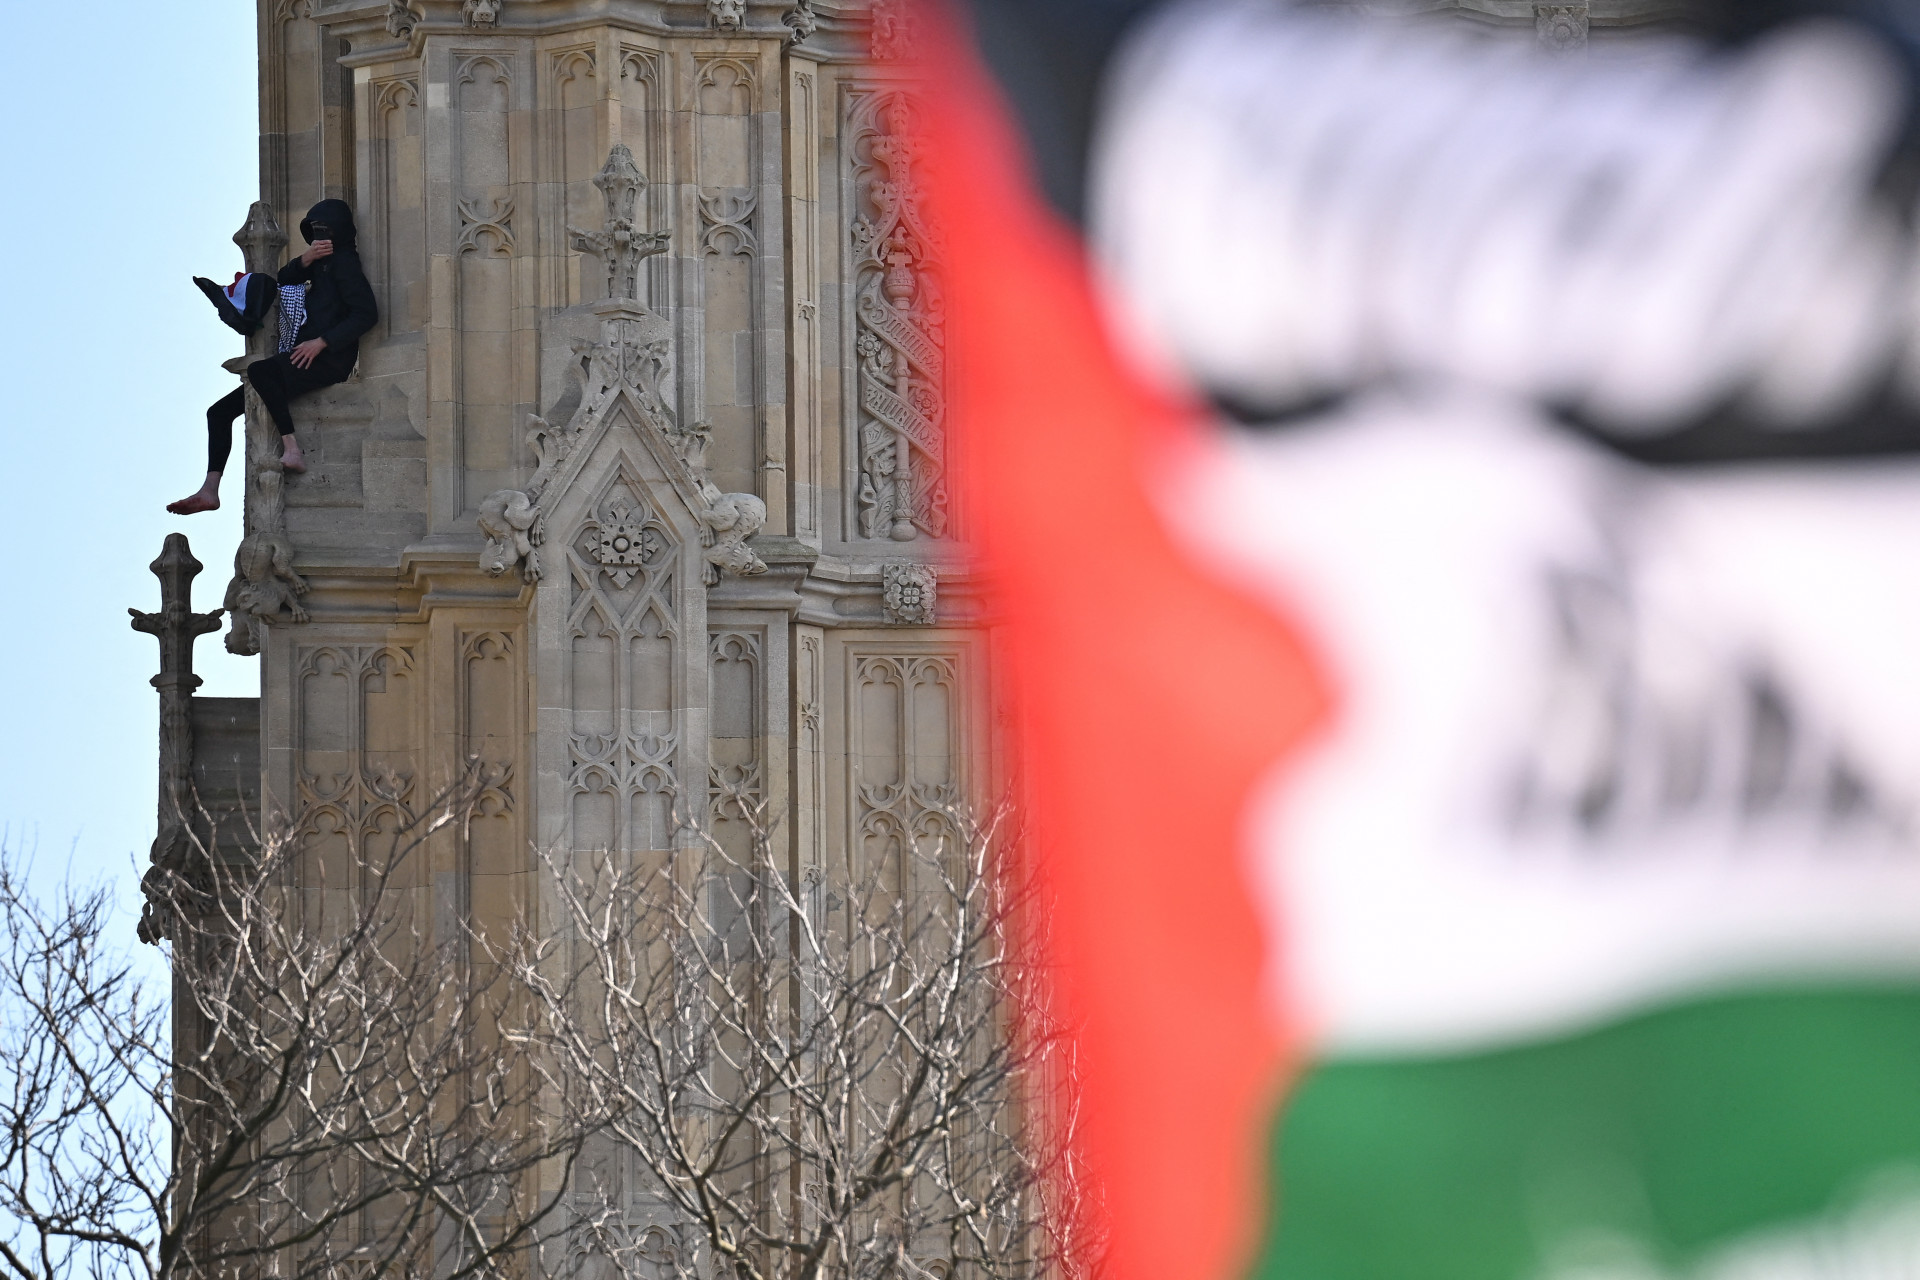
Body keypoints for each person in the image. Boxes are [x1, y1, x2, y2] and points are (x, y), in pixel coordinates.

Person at [168, 198, 377, 514]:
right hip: (300, 356)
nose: (321, 237)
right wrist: (304, 260)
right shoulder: (320, 263)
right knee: (219, 413)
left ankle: (292, 449)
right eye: (315, 231)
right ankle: (210, 490)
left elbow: (366, 314)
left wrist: (322, 342)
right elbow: (283, 280)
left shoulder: (345, 263)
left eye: (326, 230)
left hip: (328, 358)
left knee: (261, 373)